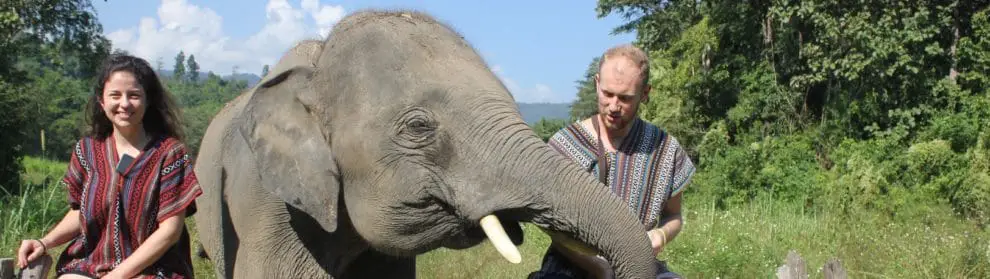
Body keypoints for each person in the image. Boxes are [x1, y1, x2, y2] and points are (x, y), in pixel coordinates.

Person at [16, 54, 203, 279]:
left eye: (133, 95)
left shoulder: (170, 154)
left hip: (155, 270)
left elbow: (170, 231)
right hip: (93, 265)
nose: (124, 104)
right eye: (115, 95)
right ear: (102, 101)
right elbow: (80, 213)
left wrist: (117, 276)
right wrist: (44, 242)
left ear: (148, 100)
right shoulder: (87, 151)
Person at [529, 44, 695, 279]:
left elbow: (674, 216)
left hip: (638, 267)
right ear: (597, 83)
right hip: (568, 267)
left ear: (645, 93)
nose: (614, 107)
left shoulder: (665, 149)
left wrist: (661, 235)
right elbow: (545, 220)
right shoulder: (564, 145)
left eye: (625, 98)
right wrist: (596, 266)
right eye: (607, 94)